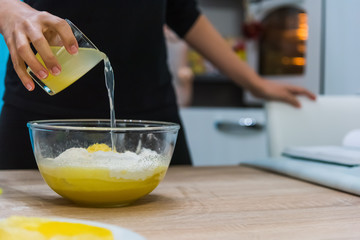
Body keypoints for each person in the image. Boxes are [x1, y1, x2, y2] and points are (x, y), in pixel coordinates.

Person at [0, 0, 316, 169]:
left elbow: (183, 12)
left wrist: (255, 84)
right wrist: (10, 10)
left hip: (150, 117)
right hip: (42, 115)